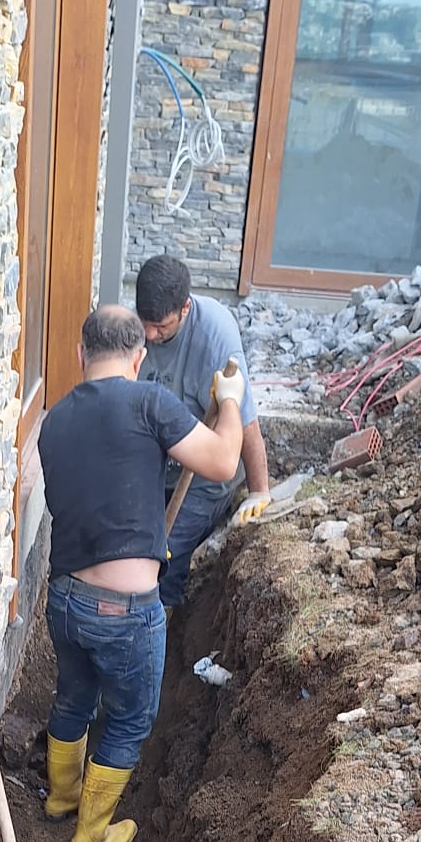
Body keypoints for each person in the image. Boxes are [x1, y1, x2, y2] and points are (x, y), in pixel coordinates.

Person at [36, 304, 244, 842]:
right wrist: (230, 401)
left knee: (74, 697)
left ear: (80, 354)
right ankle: (91, 831)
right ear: (139, 357)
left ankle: (61, 799)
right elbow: (224, 461)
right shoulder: (150, 401)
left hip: (63, 601)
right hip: (125, 612)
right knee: (129, 718)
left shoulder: (53, 419)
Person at [133, 253, 271, 610]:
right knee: (136, 549)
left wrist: (259, 492)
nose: (150, 334)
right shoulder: (137, 329)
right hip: (153, 467)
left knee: (168, 555)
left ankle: (166, 626)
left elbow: (246, 422)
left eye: (160, 327)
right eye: (146, 322)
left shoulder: (214, 337)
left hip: (203, 475)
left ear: (185, 309)